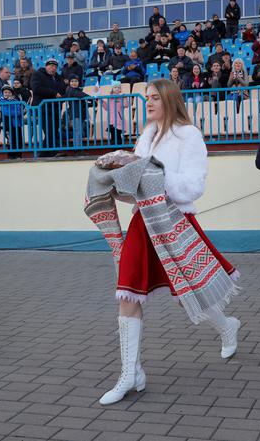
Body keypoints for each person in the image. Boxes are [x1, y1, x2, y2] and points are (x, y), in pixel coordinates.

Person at [96, 78, 242, 405]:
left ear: (169, 99)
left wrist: (152, 175)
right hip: (141, 222)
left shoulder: (189, 135)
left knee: (187, 295)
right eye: (146, 97)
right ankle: (130, 373)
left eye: (154, 98)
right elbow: (137, 183)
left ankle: (227, 326)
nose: (148, 103)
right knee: (128, 292)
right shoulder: (145, 137)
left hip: (174, 221)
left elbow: (193, 186)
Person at [31, 59, 65, 156]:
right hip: (43, 109)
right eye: (51, 66)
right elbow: (36, 88)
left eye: (55, 66)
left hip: (55, 108)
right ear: (46, 66)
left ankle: (44, 154)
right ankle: (54, 151)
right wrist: (54, 93)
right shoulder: (37, 74)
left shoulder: (58, 77)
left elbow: (63, 89)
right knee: (49, 130)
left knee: (53, 131)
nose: (53, 68)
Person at [63, 75, 93, 148]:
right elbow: (79, 94)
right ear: (69, 83)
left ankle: (79, 147)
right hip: (75, 114)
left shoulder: (77, 90)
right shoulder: (71, 90)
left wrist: (91, 103)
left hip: (80, 114)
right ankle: (77, 148)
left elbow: (82, 102)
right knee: (78, 131)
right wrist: (91, 98)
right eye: (72, 81)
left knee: (79, 131)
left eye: (76, 81)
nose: (74, 83)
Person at [0, 85, 24, 159]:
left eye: (9, 92)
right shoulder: (1, 101)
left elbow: (19, 112)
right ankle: (11, 155)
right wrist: (13, 112)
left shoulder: (16, 101)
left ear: (12, 93)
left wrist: (10, 111)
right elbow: (5, 112)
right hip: (7, 124)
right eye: (5, 92)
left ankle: (19, 155)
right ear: (2, 93)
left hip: (16, 124)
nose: (7, 94)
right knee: (10, 140)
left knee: (18, 139)